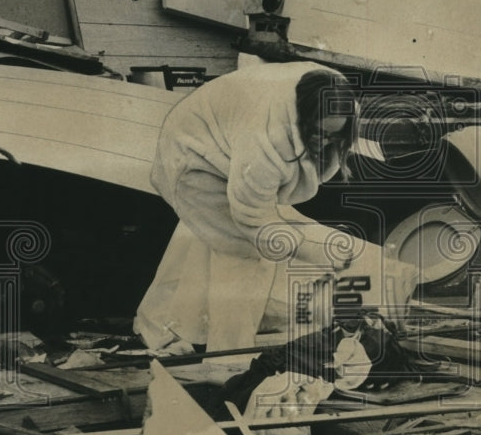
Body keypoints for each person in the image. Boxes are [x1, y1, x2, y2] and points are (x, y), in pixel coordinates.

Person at [134, 60, 359, 353]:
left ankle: (157, 324)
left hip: (223, 136)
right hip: (191, 153)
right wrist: (319, 253)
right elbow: (254, 219)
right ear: (299, 119)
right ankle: (228, 356)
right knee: (243, 252)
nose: (325, 141)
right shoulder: (265, 136)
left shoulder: (339, 100)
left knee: (202, 238)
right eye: (318, 132)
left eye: (334, 135)